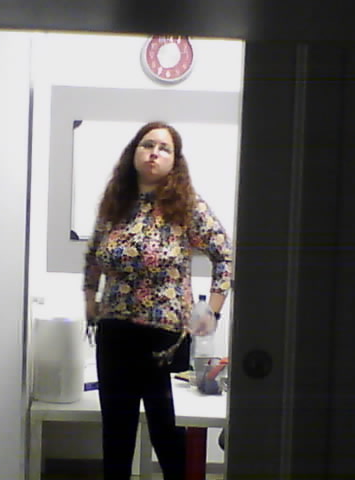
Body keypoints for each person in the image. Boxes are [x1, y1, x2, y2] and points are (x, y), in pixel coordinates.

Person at [83, 121, 232, 480]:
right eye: (147, 145)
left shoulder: (187, 206)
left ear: (175, 160)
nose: (154, 153)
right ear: (134, 152)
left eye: (164, 148)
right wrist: (90, 300)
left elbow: (224, 255)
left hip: (164, 339)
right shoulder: (116, 204)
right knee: (116, 435)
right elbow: (94, 257)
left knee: (167, 436)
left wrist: (212, 310)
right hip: (115, 333)